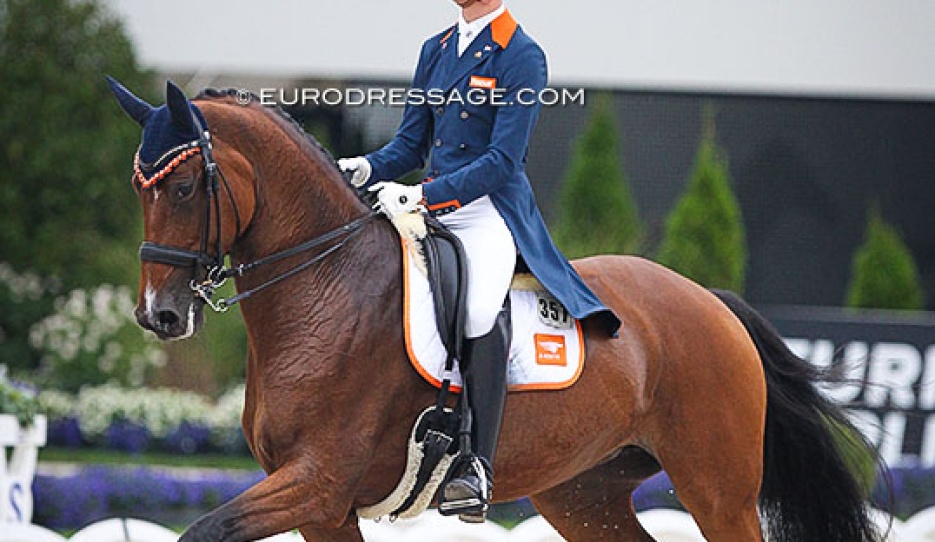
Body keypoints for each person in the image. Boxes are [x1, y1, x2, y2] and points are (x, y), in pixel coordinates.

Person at [339, 0, 620, 523]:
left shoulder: (522, 54)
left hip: (488, 211)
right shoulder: (436, 49)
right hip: (429, 204)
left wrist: (425, 196)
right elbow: (410, 143)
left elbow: (501, 161)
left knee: (477, 311)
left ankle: (477, 466)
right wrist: (366, 166)